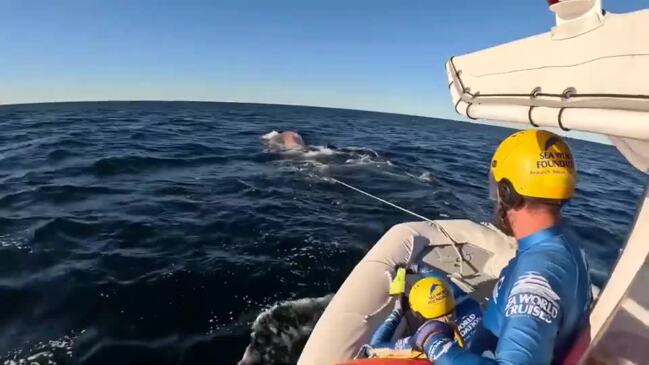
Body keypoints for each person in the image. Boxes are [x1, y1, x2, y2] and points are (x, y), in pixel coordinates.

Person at [411, 129, 592, 365]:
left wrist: (434, 342)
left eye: (497, 188)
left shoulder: (536, 277)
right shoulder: (565, 243)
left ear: (507, 193)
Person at [366, 269, 483, 359]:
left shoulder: (426, 337)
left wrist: (397, 313)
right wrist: (418, 268)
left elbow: (376, 347)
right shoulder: (471, 304)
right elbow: (444, 284)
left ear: (417, 314)